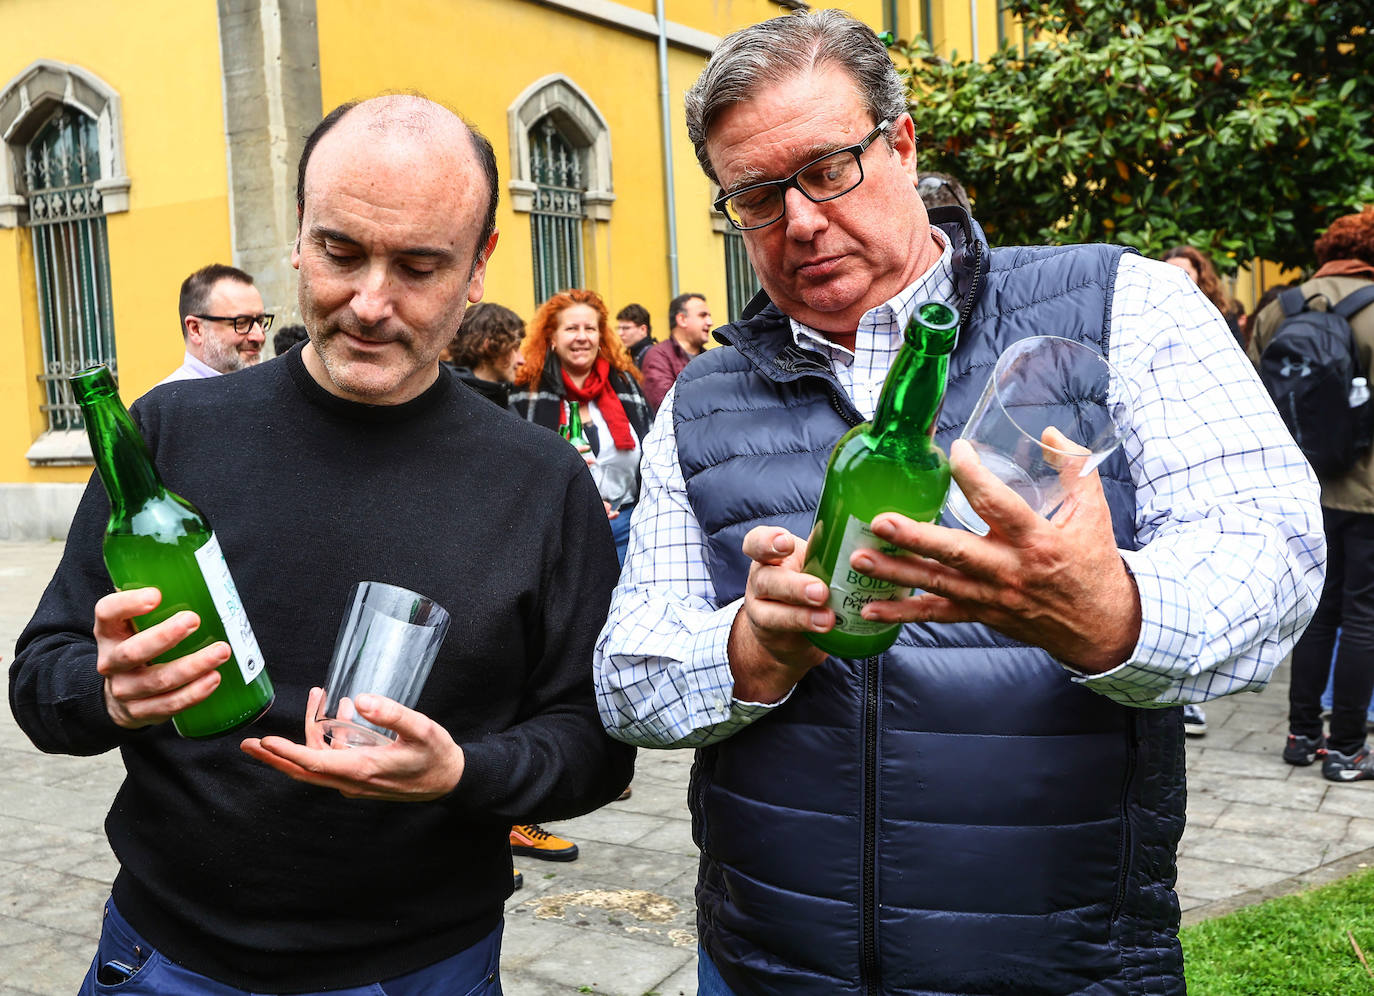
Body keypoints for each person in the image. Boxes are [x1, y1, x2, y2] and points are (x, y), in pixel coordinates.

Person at [594, 11, 1323, 995]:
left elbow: (1274, 552)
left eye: (828, 169)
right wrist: (747, 650)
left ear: (901, 145)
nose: (799, 220)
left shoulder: (1121, 305)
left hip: (1058, 966)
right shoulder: (703, 396)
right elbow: (627, 673)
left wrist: (1112, 611)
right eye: (757, 197)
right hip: (767, 964)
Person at [10, 94, 634, 995]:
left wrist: (462, 771)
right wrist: (108, 693)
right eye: (340, 252)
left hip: (421, 968)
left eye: (419, 266)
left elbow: (595, 745)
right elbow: (41, 680)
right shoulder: (170, 433)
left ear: (478, 266)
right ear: (299, 234)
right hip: (167, 957)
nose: (369, 304)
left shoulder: (540, 479)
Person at [1248, 205, 1374, 782]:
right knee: (1363, 616)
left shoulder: (1280, 308)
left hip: (1298, 488)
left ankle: (1301, 737)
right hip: (1365, 493)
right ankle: (1347, 749)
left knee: (1316, 613)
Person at [510, 289, 652, 566]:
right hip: (560, 535)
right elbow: (521, 471)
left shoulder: (626, 386)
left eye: (590, 328)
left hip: (630, 530)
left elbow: (652, 455)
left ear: (601, 337)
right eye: (571, 328)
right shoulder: (527, 392)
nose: (582, 337)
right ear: (552, 337)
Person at [158, 264, 272, 384]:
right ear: (196, 329)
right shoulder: (170, 396)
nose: (259, 336)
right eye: (241, 323)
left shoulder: (265, 388)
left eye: (260, 321)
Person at [441, 301, 526, 408]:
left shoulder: (501, 395)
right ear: (490, 346)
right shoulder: (456, 403)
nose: (522, 360)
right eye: (515, 348)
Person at [640, 292, 712, 411]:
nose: (710, 322)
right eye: (702, 315)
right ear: (682, 319)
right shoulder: (658, 356)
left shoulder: (710, 359)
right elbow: (667, 406)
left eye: (709, 316)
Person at [1161, 245, 1244, 348]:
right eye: (1169, 274)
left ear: (1200, 275)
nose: (1176, 280)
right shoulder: (1155, 311)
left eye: (1185, 274)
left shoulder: (1221, 310)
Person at [616, 303, 655, 367]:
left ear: (643, 329)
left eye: (626, 328)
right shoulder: (632, 355)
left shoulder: (653, 357)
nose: (620, 333)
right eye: (618, 328)